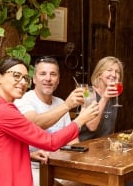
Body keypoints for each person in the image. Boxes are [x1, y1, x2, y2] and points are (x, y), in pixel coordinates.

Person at [0, 57, 99, 186]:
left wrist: (28, 155)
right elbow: (50, 142)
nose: (22, 82)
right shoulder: (4, 111)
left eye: (25, 78)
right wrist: (80, 120)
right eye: (16, 76)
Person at [14, 56, 83, 186]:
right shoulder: (23, 100)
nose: (48, 79)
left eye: (53, 74)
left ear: (58, 80)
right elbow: (34, 124)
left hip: (59, 166)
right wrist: (69, 107)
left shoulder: (60, 102)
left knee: (84, 181)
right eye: (43, 74)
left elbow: (73, 141)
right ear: (34, 79)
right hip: (31, 167)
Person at [79, 56, 124, 141]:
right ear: (99, 74)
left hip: (104, 146)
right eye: (109, 70)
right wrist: (104, 98)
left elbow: (109, 129)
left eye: (117, 72)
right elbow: (92, 127)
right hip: (84, 146)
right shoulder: (88, 92)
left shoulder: (114, 95)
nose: (114, 75)